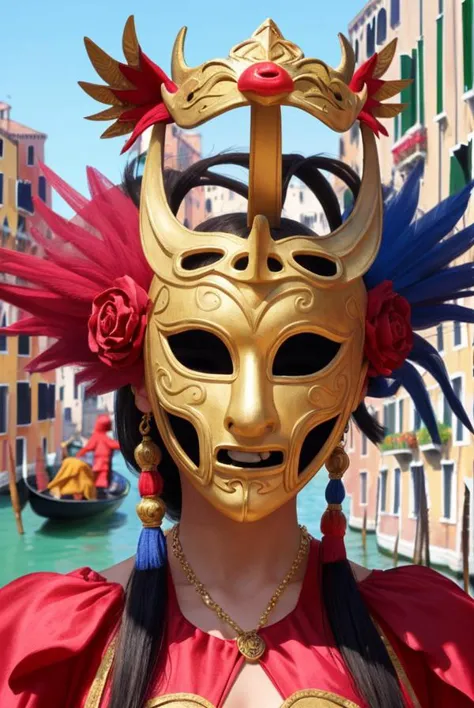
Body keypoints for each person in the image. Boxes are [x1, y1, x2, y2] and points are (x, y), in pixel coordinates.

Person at [0, 17, 473, 708]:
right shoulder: (39, 649)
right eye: (203, 353)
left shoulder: (437, 643)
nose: (251, 416)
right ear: (144, 380)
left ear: (355, 380)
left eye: (300, 356)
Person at [76, 414, 121, 490]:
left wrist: (79, 454)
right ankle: (101, 492)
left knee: (98, 479)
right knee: (101, 480)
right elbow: (115, 445)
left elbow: (88, 447)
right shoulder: (105, 438)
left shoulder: (97, 436)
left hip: (99, 462)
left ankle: (98, 492)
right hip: (104, 463)